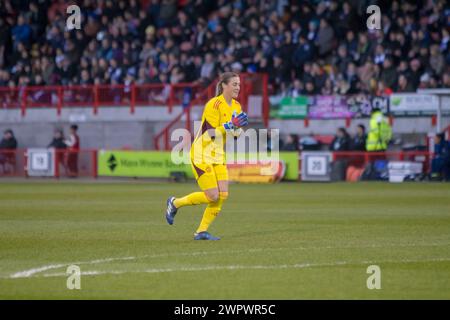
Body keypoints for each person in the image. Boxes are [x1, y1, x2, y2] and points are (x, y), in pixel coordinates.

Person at [165, 72, 248, 240]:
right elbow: (210, 133)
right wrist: (231, 125)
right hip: (201, 153)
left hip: (218, 154)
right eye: (234, 84)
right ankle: (175, 203)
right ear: (224, 85)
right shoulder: (214, 104)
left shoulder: (237, 106)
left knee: (223, 195)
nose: (238, 87)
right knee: (213, 195)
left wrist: (238, 129)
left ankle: (201, 231)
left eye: (239, 84)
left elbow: (235, 134)